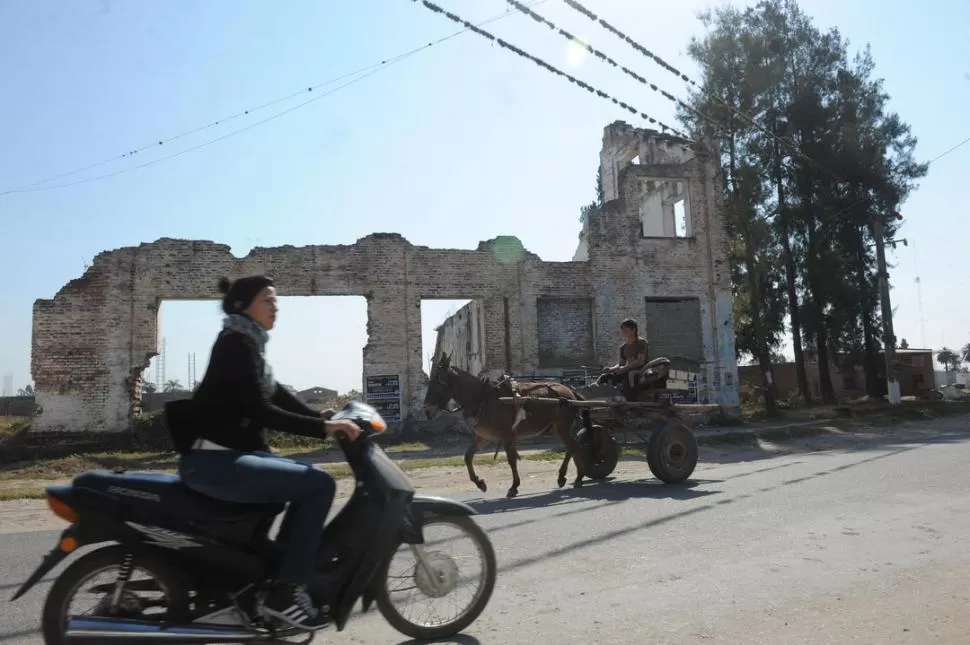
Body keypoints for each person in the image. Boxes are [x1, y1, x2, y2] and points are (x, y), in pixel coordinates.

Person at [177, 275, 360, 631]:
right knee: (318, 485)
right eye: (267, 300)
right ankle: (287, 591)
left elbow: (278, 395)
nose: (275, 307)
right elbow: (261, 409)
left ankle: (270, 578)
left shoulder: (248, 343)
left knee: (295, 478)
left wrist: (324, 416)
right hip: (215, 462)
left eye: (276, 301)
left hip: (225, 456)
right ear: (243, 306)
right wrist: (322, 429)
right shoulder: (236, 345)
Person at [601, 318, 649, 399]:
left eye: (625, 330)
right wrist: (611, 369)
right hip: (627, 369)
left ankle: (632, 400)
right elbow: (621, 364)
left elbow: (640, 361)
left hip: (641, 369)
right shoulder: (623, 347)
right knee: (605, 377)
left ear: (633, 330)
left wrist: (624, 369)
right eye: (622, 330)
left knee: (630, 375)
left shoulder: (641, 342)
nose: (623, 332)